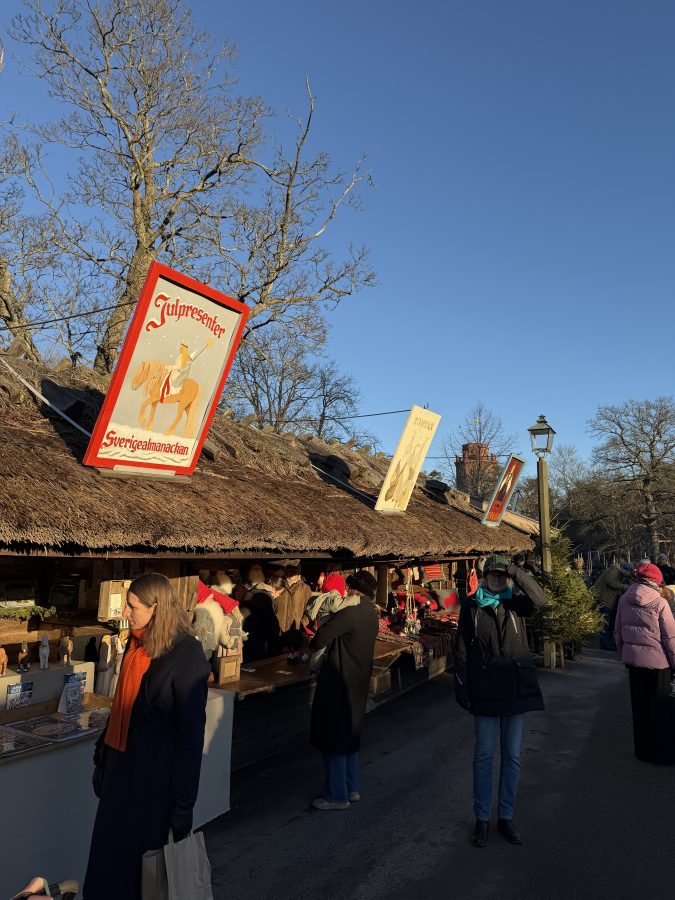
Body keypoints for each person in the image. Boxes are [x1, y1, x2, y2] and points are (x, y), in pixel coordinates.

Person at [83, 573, 210, 900]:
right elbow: (121, 707)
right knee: (105, 870)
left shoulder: (186, 654)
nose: (126, 612)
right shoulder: (135, 644)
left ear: (156, 608)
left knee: (141, 877)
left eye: (132, 606)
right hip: (119, 774)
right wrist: (102, 755)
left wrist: (184, 802)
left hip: (153, 785)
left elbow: (191, 736)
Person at [454, 553, 547, 847]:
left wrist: (514, 571)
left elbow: (541, 600)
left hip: (515, 689)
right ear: (483, 576)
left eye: (501, 574)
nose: (497, 578)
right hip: (485, 689)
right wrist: (462, 688)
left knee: (513, 756)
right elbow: (461, 651)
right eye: (492, 574)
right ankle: (481, 818)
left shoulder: (517, 605)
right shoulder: (471, 606)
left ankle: (506, 816)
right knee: (483, 756)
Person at [309, 570, 379, 810]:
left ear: (353, 589)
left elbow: (319, 639)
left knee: (334, 738)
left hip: (339, 679)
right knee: (350, 734)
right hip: (359, 680)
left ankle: (336, 795)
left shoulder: (350, 614)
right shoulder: (371, 613)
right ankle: (352, 787)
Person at [614, 562, 675, 764]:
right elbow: (670, 638)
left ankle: (642, 750)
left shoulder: (624, 599)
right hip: (659, 663)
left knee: (639, 707)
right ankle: (660, 754)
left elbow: (618, 631)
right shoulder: (660, 603)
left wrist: (624, 654)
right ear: (656, 581)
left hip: (633, 661)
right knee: (659, 709)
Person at [239, 578, 282, 662]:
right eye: (279, 593)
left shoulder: (252, 592)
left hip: (245, 635)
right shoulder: (265, 598)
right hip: (257, 639)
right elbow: (271, 622)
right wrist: (278, 640)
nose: (278, 596)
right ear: (273, 589)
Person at [594, 558, 633, 650]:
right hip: (604, 599)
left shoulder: (618, 572)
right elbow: (610, 581)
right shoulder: (615, 570)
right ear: (625, 570)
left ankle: (608, 642)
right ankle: (605, 643)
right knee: (605, 622)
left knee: (608, 622)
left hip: (606, 599)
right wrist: (623, 586)